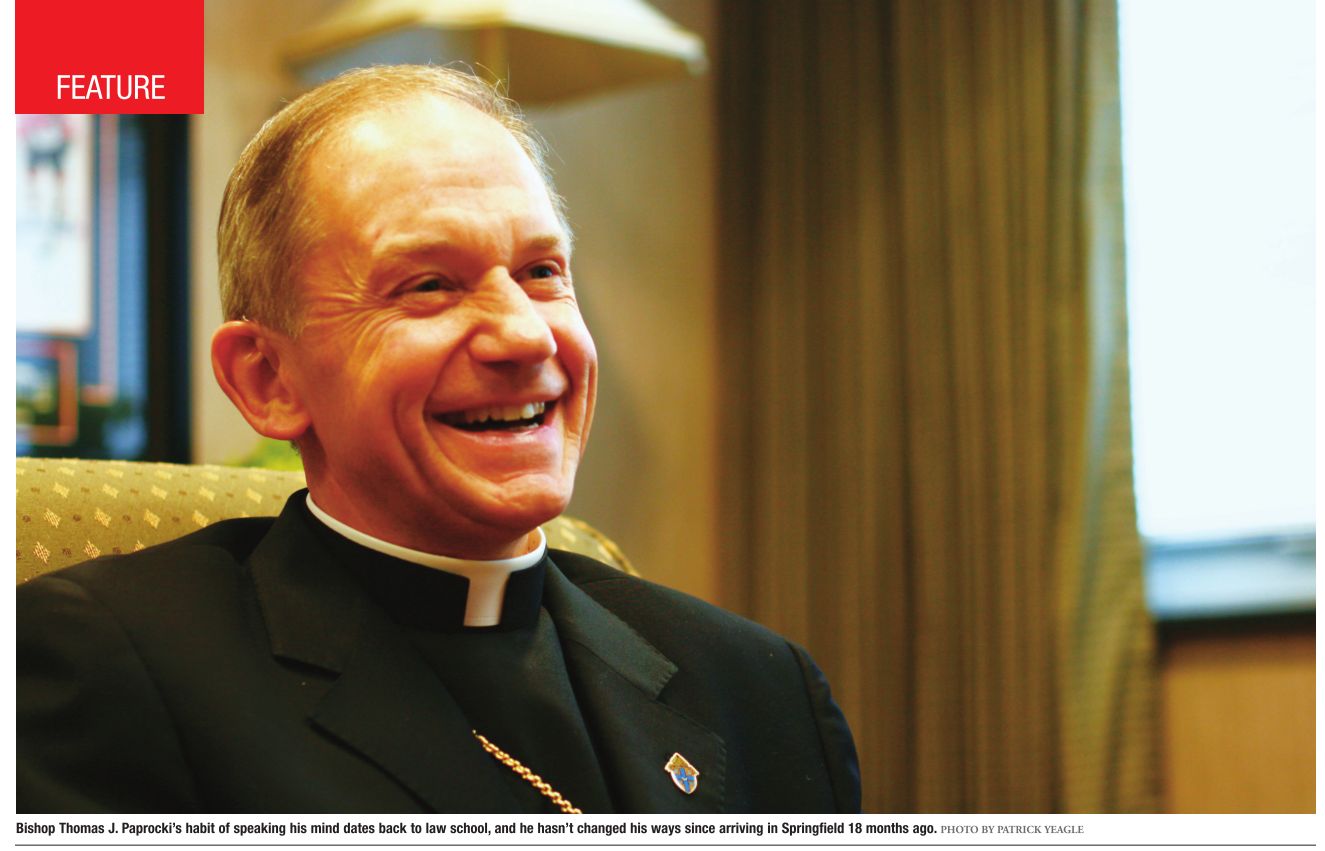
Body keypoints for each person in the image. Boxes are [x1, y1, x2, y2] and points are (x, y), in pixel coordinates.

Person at [17, 66, 860, 814]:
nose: (524, 335)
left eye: (541, 272)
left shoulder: (760, 690)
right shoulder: (111, 666)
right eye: (428, 285)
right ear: (268, 379)